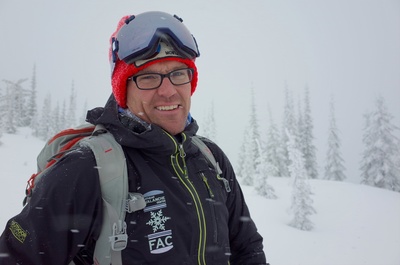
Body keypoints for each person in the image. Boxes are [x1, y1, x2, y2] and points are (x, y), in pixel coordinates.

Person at [0, 11, 268, 265]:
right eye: (148, 77)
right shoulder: (86, 168)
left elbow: (248, 248)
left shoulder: (210, 158)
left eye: (178, 73)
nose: (168, 91)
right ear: (123, 90)